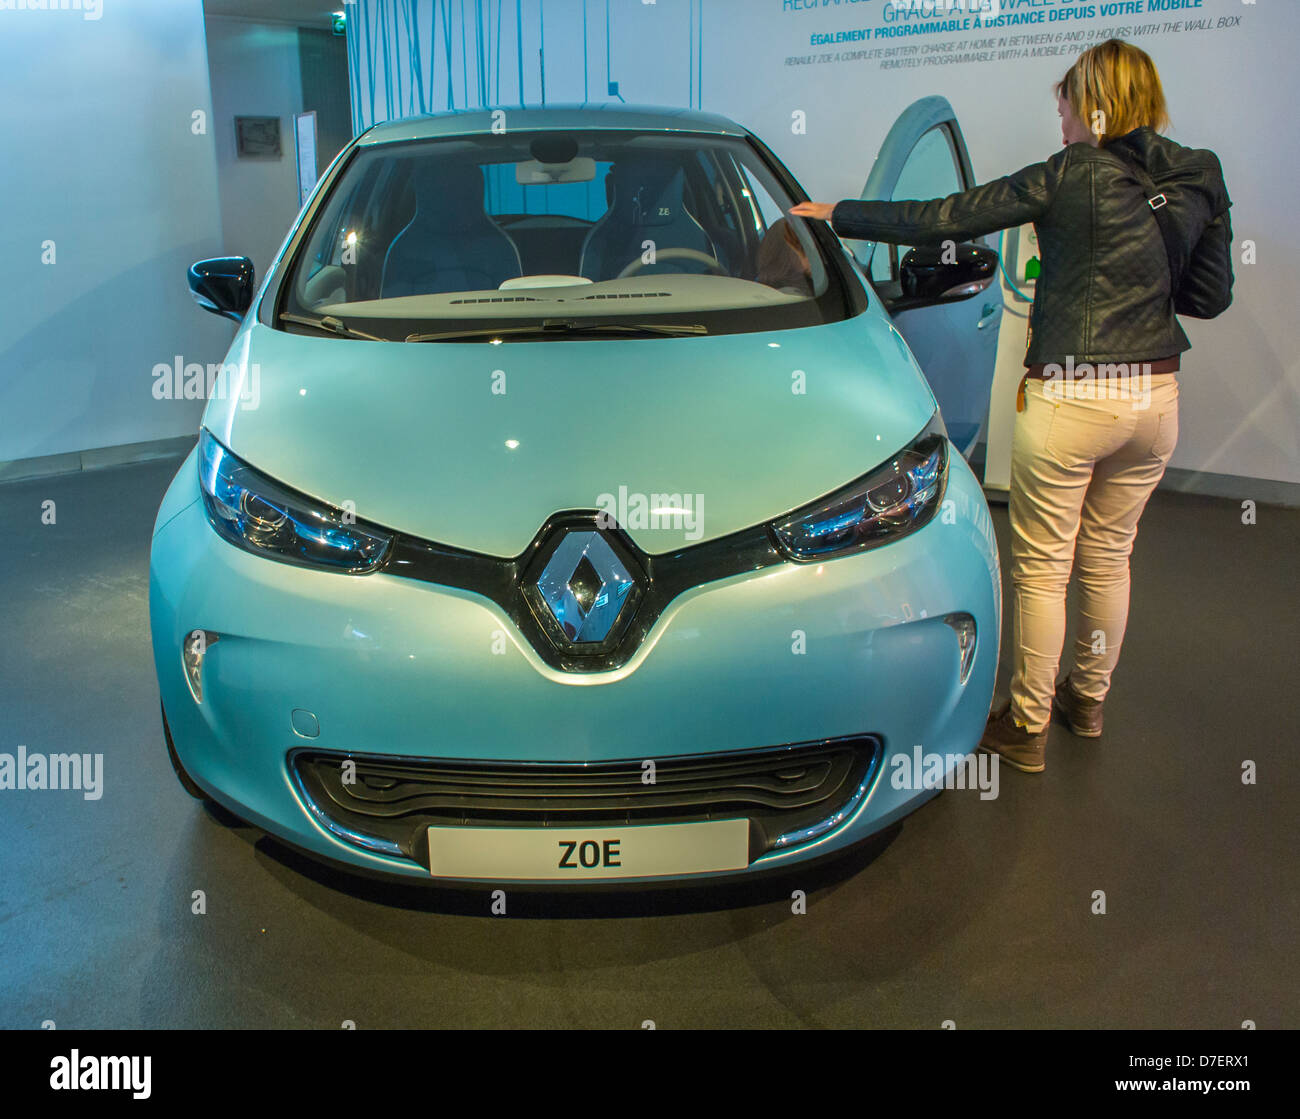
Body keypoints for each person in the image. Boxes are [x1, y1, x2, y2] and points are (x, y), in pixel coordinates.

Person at [791, 39, 1233, 773]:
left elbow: (949, 216)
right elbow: (1210, 296)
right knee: (1110, 556)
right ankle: (1085, 700)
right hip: (1154, 397)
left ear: (1094, 106)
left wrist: (842, 214)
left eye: (1064, 109)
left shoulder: (1068, 173)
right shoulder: (1199, 173)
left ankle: (1026, 724)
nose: (1059, 124)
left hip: (1072, 395)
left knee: (1042, 564)